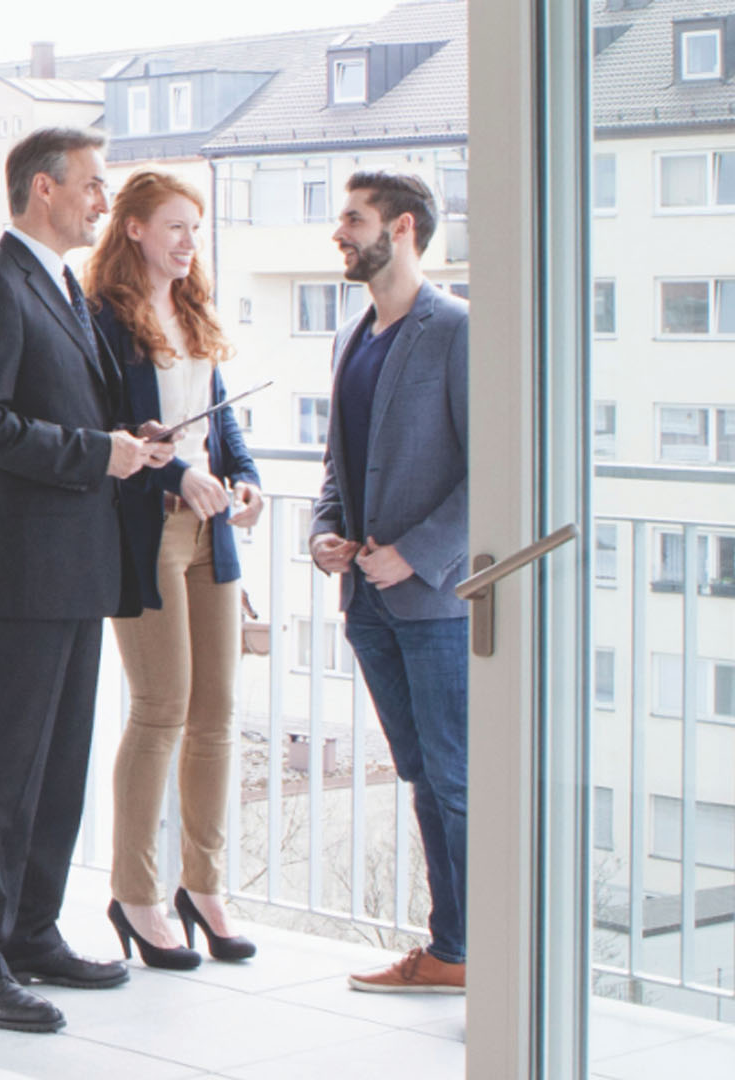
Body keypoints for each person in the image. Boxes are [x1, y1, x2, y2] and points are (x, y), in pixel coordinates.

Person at [0, 128, 173, 1033]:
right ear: (43, 189)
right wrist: (99, 453)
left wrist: (137, 448)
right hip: (24, 563)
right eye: (90, 185)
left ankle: (32, 931)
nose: (101, 199)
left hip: (78, 562)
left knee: (60, 764)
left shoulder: (69, 291)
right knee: (5, 764)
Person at [85, 170, 264, 969]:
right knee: (162, 709)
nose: (190, 242)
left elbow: (218, 424)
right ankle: (136, 894)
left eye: (196, 228)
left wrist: (245, 478)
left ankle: (204, 885)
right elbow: (107, 434)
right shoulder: (104, 322)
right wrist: (171, 474)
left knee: (218, 713)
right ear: (133, 230)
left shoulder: (192, 312)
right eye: (176, 227)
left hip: (209, 530)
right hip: (147, 532)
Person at [309, 171, 469, 994]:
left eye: (353, 218)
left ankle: (466, 950)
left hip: (437, 603)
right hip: (368, 603)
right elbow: (339, 466)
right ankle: (452, 951)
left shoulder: (457, 331)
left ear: (402, 228)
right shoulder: (350, 335)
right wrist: (321, 536)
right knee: (420, 774)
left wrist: (418, 553)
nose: (339, 231)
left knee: (455, 775)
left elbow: (495, 473)